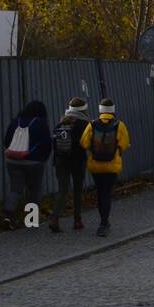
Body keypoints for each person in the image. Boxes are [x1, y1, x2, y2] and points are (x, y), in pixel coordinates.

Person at [79, 97, 130, 237]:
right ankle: (104, 223)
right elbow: (125, 144)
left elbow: (83, 143)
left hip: (95, 166)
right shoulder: (119, 125)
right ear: (113, 110)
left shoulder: (92, 125)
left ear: (100, 110)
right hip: (112, 166)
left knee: (100, 193)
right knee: (106, 194)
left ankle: (103, 222)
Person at [2, 100, 53, 229]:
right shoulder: (41, 123)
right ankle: (31, 220)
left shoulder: (15, 121)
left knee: (15, 190)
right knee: (34, 190)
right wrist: (43, 158)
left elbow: (6, 141)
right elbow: (47, 144)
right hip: (34, 162)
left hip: (12, 161)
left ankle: (7, 217)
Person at [48, 97, 91, 233]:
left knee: (62, 190)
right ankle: (77, 221)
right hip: (77, 161)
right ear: (83, 109)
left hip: (60, 161)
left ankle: (54, 219)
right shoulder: (84, 124)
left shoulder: (60, 124)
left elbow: (54, 145)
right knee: (77, 191)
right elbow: (87, 143)